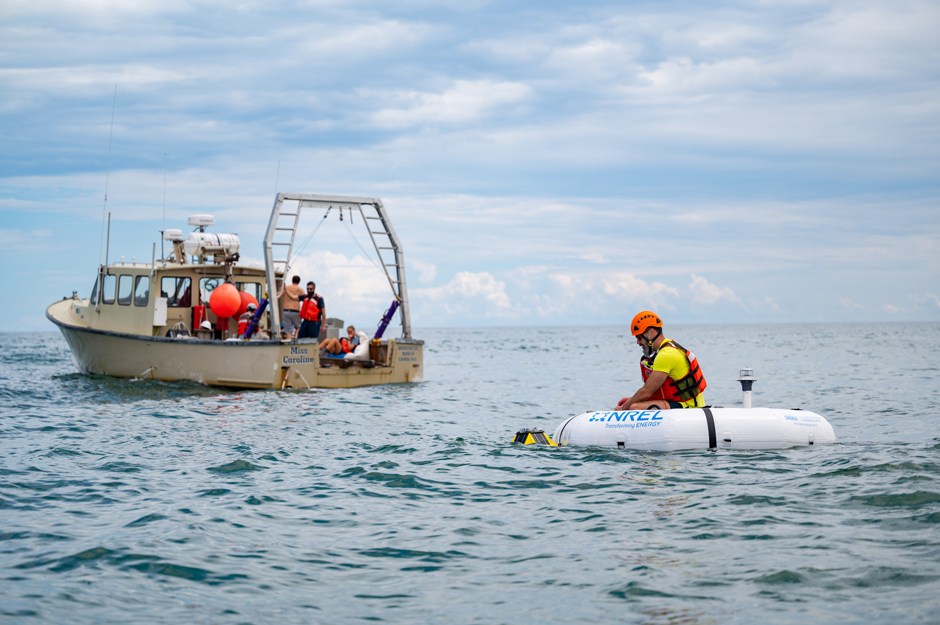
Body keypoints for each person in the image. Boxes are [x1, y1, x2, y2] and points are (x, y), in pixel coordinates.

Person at [616, 311, 707, 411]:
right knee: (633, 403)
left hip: (689, 407)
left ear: (651, 332)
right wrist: (631, 400)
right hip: (679, 403)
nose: (638, 342)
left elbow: (646, 392)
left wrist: (623, 409)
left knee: (634, 407)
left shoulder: (666, 355)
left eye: (639, 337)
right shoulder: (665, 350)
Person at [278, 275, 304, 340]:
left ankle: (288, 344)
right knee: (298, 327)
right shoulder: (301, 290)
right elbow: (305, 300)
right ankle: (296, 340)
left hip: (286, 311)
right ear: (299, 282)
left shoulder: (286, 288)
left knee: (288, 331)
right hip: (295, 311)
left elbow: (279, 295)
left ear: (292, 281)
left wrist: (280, 288)